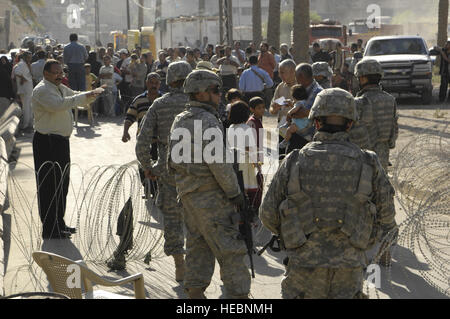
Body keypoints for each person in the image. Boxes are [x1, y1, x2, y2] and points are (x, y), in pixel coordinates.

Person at [260, 88, 397, 299]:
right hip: (349, 268)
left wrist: (293, 237)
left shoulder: (294, 160)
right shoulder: (368, 162)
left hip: (303, 266)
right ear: (350, 123)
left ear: (315, 122)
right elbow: (387, 218)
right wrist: (364, 241)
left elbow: (267, 214)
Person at [168, 69, 250, 299]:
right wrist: (235, 194)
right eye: (215, 91)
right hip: (211, 198)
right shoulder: (207, 121)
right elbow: (220, 165)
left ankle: (194, 296)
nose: (219, 96)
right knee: (231, 252)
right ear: (202, 93)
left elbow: (172, 161)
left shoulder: (180, 120)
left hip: (188, 196)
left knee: (198, 247)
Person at [136, 61, 192, 282]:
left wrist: (149, 167)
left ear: (168, 80)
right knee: (198, 221)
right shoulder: (199, 105)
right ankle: (198, 267)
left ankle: (180, 264)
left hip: (169, 171)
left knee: (172, 220)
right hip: (198, 173)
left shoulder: (159, 105)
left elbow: (142, 142)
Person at [32, 59, 101, 239]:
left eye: (61, 72)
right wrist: (85, 96)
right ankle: (49, 228)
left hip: (61, 142)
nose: (60, 75)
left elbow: (75, 97)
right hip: (47, 143)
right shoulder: (42, 90)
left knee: (62, 183)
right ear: (46, 74)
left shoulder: (60, 88)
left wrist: (92, 94)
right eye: (56, 72)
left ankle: (59, 223)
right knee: (49, 185)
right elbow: (59, 105)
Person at [351, 59, 399, 173]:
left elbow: (353, 132)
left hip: (362, 158)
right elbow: (394, 129)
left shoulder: (359, 102)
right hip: (383, 156)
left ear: (362, 78)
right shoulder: (390, 100)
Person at [269, 59, 297, 158]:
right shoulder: (281, 87)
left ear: (293, 71)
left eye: (282, 72)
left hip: (297, 129)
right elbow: (271, 109)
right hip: (281, 128)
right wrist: (275, 108)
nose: (279, 75)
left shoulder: (301, 86)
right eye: (279, 72)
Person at [247, 97, 265, 211]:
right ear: (252, 109)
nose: (262, 110)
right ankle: (254, 206)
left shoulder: (258, 120)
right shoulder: (251, 122)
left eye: (263, 107)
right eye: (259, 108)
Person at [279, 85, 311, 149]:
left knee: (289, 130)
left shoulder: (299, 103)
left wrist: (289, 112)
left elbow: (296, 109)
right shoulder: (305, 102)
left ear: (294, 96)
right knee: (290, 124)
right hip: (303, 122)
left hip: (300, 123)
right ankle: (287, 124)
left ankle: (285, 141)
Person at [14, 51, 34, 132]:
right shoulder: (21, 64)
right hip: (25, 89)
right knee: (26, 107)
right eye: (28, 57)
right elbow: (16, 72)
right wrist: (23, 78)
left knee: (29, 107)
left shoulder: (26, 64)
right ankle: (26, 125)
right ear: (25, 57)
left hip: (28, 88)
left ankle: (29, 124)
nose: (30, 58)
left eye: (30, 57)